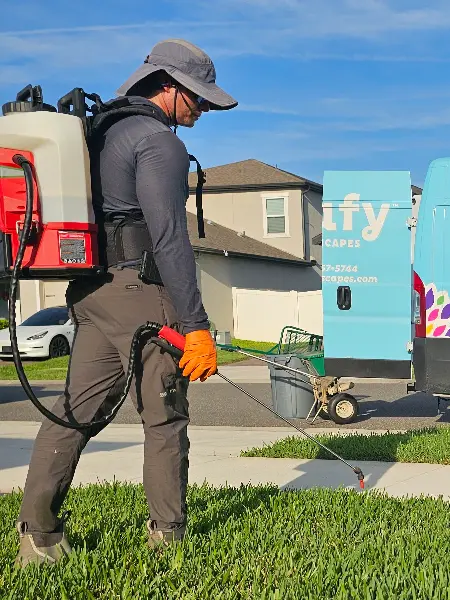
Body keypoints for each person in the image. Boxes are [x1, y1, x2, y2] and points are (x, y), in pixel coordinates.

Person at [15, 38, 237, 567]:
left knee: (71, 415)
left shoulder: (96, 133)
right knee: (164, 418)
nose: (202, 109)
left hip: (91, 293)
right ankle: (168, 541)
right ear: (169, 87)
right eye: (198, 99)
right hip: (141, 294)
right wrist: (196, 325)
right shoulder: (160, 144)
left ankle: (39, 538)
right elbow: (169, 239)